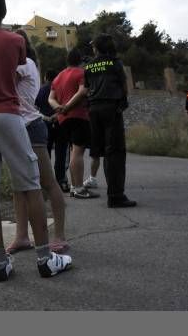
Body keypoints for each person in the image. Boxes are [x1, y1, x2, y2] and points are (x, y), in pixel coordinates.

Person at [0, 0, 72, 281]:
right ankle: (44, 258)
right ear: (4, 12)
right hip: (9, 116)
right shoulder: (15, 41)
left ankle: (0, 263)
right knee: (30, 184)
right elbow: (16, 67)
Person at [6, 30, 68, 254]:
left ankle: (59, 235)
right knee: (18, 187)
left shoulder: (24, 64)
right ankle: (21, 236)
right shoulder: (27, 63)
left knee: (48, 182)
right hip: (18, 128)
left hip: (31, 127)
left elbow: (2, 83)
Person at [80, 33, 136, 208]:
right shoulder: (115, 63)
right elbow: (125, 87)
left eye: (94, 46)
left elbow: (87, 89)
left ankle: (113, 195)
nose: (93, 48)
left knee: (103, 152)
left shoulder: (88, 66)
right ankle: (116, 196)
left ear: (97, 47)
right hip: (111, 109)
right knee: (116, 152)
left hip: (94, 111)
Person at [49, 48, 99, 199]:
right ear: (80, 61)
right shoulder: (81, 73)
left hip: (63, 120)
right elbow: (82, 91)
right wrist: (68, 107)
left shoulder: (58, 77)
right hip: (78, 116)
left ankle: (73, 186)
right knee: (78, 152)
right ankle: (79, 188)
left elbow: (50, 98)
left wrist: (58, 108)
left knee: (72, 152)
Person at [37, 70, 70, 193]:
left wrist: (46, 117)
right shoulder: (59, 87)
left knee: (45, 154)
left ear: (45, 77)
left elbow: (36, 107)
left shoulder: (40, 90)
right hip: (60, 122)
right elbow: (66, 103)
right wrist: (56, 115)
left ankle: (46, 183)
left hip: (45, 124)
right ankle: (61, 181)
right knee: (61, 153)